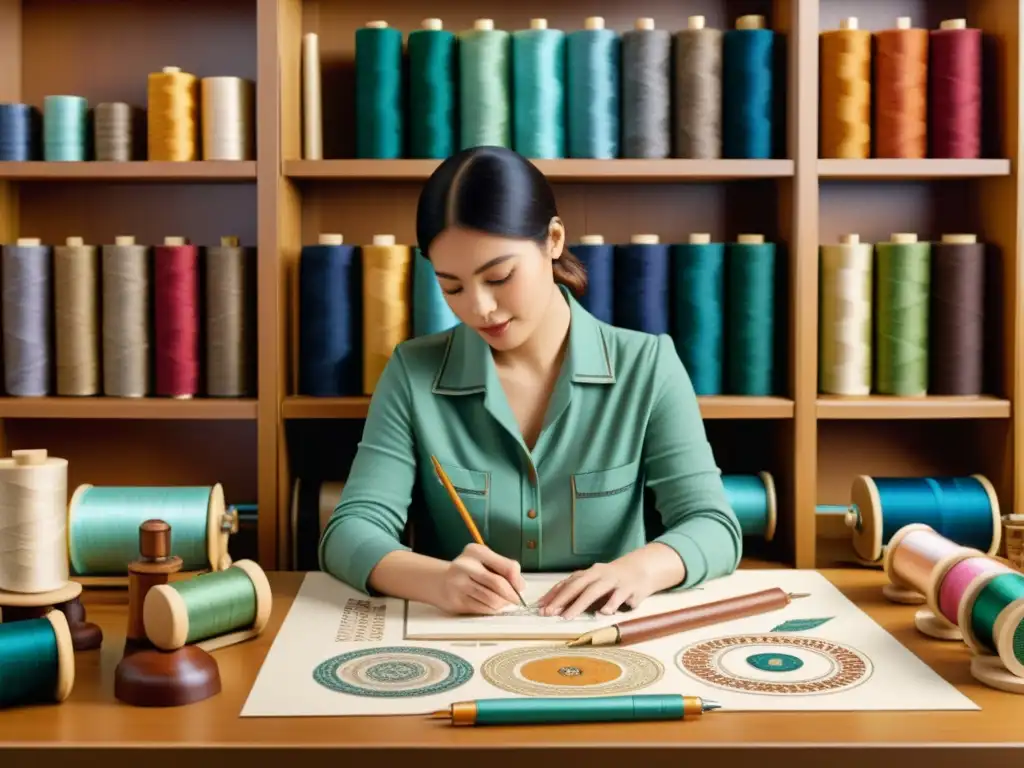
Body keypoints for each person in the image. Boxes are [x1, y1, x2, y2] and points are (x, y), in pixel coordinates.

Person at [319, 146, 742, 619]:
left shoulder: (647, 365)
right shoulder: (413, 372)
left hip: (610, 638)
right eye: (452, 287)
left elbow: (714, 525)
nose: (478, 308)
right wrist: (436, 580)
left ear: (554, 239)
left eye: (499, 276)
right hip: (462, 641)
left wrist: (638, 571)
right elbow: (350, 530)